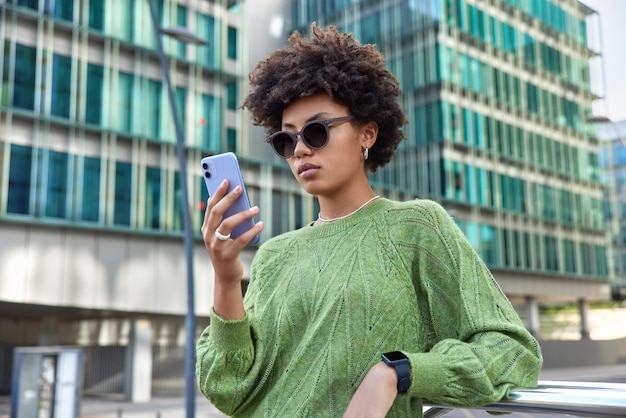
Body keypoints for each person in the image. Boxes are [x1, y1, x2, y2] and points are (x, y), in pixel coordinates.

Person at [196, 23, 542, 417]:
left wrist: (398, 371)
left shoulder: (417, 227)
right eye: (287, 140)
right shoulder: (275, 255)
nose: (301, 150)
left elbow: (512, 353)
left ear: (368, 134)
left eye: (317, 131)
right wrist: (226, 278)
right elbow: (227, 387)